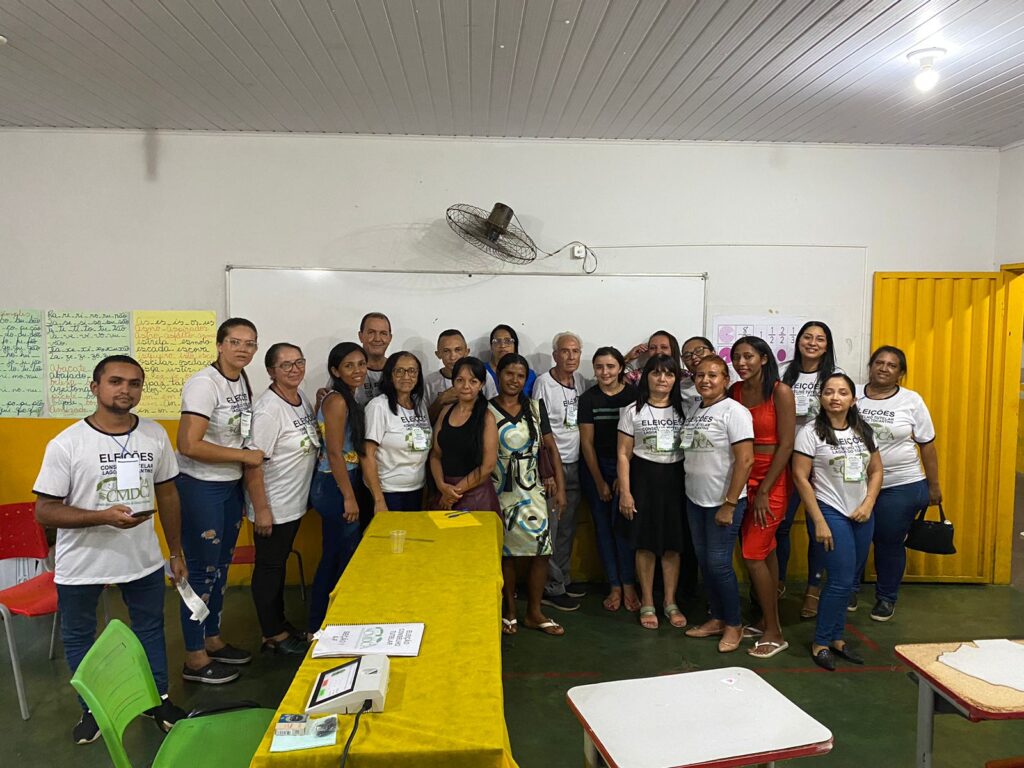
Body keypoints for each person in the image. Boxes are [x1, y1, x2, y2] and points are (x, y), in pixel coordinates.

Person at [33, 355, 188, 744]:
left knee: (150, 627)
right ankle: (92, 708)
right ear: (95, 387)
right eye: (115, 381)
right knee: (80, 635)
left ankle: (157, 699)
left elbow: (168, 494)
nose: (125, 390)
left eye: (134, 383)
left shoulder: (154, 435)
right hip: (82, 563)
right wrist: (100, 517)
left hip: (142, 559)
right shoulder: (67, 443)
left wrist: (176, 551)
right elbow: (44, 511)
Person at [176, 318, 263, 683]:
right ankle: (194, 658)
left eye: (250, 343)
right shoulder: (204, 384)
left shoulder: (241, 379)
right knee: (201, 571)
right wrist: (244, 457)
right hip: (201, 486)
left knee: (221, 567)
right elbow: (188, 444)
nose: (243, 349)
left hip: (228, 485)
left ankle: (212, 639)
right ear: (219, 345)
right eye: (235, 342)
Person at [792, 373, 882, 670]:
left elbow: (876, 471)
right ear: (821, 398)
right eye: (829, 392)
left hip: (862, 514)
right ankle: (820, 642)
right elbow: (800, 477)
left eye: (842, 392)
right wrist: (818, 520)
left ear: (853, 399)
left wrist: (869, 503)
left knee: (849, 581)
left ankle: (837, 637)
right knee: (840, 580)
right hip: (829, 511)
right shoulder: (810, 432)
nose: (835, 397)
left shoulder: (863, 430)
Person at [854, 346, 942, 622]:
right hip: (856, 483)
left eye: (892, 365)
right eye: (879, 362)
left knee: (888, 541)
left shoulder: (911, 400)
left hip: (901, 484)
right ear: (870, 366)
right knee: (854, 539)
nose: (884, 368)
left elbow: (927, 445)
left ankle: (886, 597)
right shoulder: (852, 394)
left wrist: (934, 486)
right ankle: (848, 590)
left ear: (900, 373)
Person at [242, 343, 317, 656]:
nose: (294, 369)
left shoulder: (299, 399)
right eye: (286, 365)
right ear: (271, 371)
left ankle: (280, 624)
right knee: (270, 569)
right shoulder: (268, 410)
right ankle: (272, 634)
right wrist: (262, 510)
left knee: (278, 564)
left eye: (299, 362)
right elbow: (252, 462)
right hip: (273, 505)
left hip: (292, 503)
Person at [490, 353, 567, 636]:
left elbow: (551, 447)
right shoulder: (486, 409)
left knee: (541, 550)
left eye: (520, 375)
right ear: (499, 374)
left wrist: (560, 486)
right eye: (509, 373)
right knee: (506, 553)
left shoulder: (535, 407)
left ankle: (534, 612)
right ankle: (509, 611)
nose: (514, 380)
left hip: (533, 488)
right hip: (499, 489)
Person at [681, 356, 755, 653]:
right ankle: (717, 618)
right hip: (695, 499)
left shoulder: (734, 411)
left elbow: (745, 460)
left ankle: (734, 624)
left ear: (726, 380)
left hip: (723, 501)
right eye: (700, 375)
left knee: (719, 563)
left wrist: (729, 503)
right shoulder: (694, 409)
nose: (705, 380)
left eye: (713, 375)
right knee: (705, 562)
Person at [729, 335, 794, 658]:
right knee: (765, 552)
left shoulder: (780, 392)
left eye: (749, 357)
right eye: (737, 357)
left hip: (772, 479)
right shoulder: (735, 392)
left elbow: (786, 444)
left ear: (764, 358)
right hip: (743, 476)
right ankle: (766, 620)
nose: (742, 363)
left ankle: (774, 632)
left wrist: (766, 489)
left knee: (753, 554)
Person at [617, 355, 688, 631]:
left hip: (676, 480)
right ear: (646, 376)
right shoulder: (632, 411)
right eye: (656, 373)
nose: (662, 379)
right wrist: (625, 492)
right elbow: (623, 454)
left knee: (672, 545)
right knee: (644, 543)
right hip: (643, 480)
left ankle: (670, 601)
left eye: (668, 374)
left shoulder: (685, 409)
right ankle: (647, 600)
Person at [777, 321, 841, 617]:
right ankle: (778, 582)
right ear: (798, 340)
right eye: (807, 337)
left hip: (822, 461)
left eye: (820, 339)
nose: (812, 343)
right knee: (781, 525)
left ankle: (813, 589)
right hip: (786, 457)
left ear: (827, 346)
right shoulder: (782, 373)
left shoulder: (835, 376)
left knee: (819, 526)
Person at [309, 342, 369, 634]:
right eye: (348, 366)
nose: (357, 370)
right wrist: (348, 496)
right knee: (337, 556)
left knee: (340, 552)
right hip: (334, 484)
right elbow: (334, 453)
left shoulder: (346, 398)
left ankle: (330, 621)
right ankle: (319, 624)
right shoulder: (337, 401)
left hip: (344, 480)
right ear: (335, 371)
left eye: (361, 364)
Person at [578, 346, 640, 612]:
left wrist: (622, 476)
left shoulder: (634, 396)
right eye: (599, 367)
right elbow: (587, 443)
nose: (605, 372)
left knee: (624, 529)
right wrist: (601, 481)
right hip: (596, 468)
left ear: (620, 368)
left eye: (611, 366)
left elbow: (638, 438)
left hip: (628, 466)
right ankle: (614, 585)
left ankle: (629, 584)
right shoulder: (588, 398)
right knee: (603, 529)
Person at [533, 331, 589, 611]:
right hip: (554, 466)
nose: (570, 356)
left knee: (567, 527)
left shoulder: (580, 381)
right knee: (552, 528)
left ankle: (563, 579)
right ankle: (551, 587)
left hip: (576, 463)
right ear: (555, 355)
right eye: (565, 351)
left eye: (575, 351)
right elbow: (539, 427)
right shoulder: (543, 383)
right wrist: (548, 472)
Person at [362, 351, 431, 512]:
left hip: (416, 489)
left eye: (412, 371)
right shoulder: (378, 406)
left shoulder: (419, 405)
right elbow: (367, 454)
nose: (406, 376)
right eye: (399, 371)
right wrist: (378, 500)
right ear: (390, 375)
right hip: (388, 492)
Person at [429, 356, 500, 512]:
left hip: (476, 494)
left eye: (473, 381)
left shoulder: (487, 418)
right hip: (443, 490)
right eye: (460, 380)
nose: (466, 386)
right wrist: (442, 486)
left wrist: (453, 494)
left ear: (481, 384)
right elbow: (436, 454)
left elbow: (488, 466)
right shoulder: (445, 411)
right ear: (453, 382)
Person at [425, 329, 470, 422]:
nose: (452, 357)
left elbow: (493, 411)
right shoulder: (429, 381)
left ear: (467, 351)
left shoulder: (481, 376)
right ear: (438, 354)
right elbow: (423, 420)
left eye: (458, 350)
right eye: (446, 351)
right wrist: (440, 401)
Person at [484, 324, 537, 399]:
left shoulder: (528, 374)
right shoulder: (481, 371)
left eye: (508, 341)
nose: (502, 345)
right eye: (497, 341)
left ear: (515, 346)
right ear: (491, 346)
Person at [355, 312, 393, 405]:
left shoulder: (398, 370)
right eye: (371, 332)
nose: (377, 339)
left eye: (383, 333)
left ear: (390, 338)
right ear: (360, 336)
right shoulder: (348, 370)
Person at [680, 336, 715, 417]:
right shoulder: (681, 388)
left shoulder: (731, 380)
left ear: (713, 352)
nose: (694, 357)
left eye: (699, 350)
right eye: (687, 355)